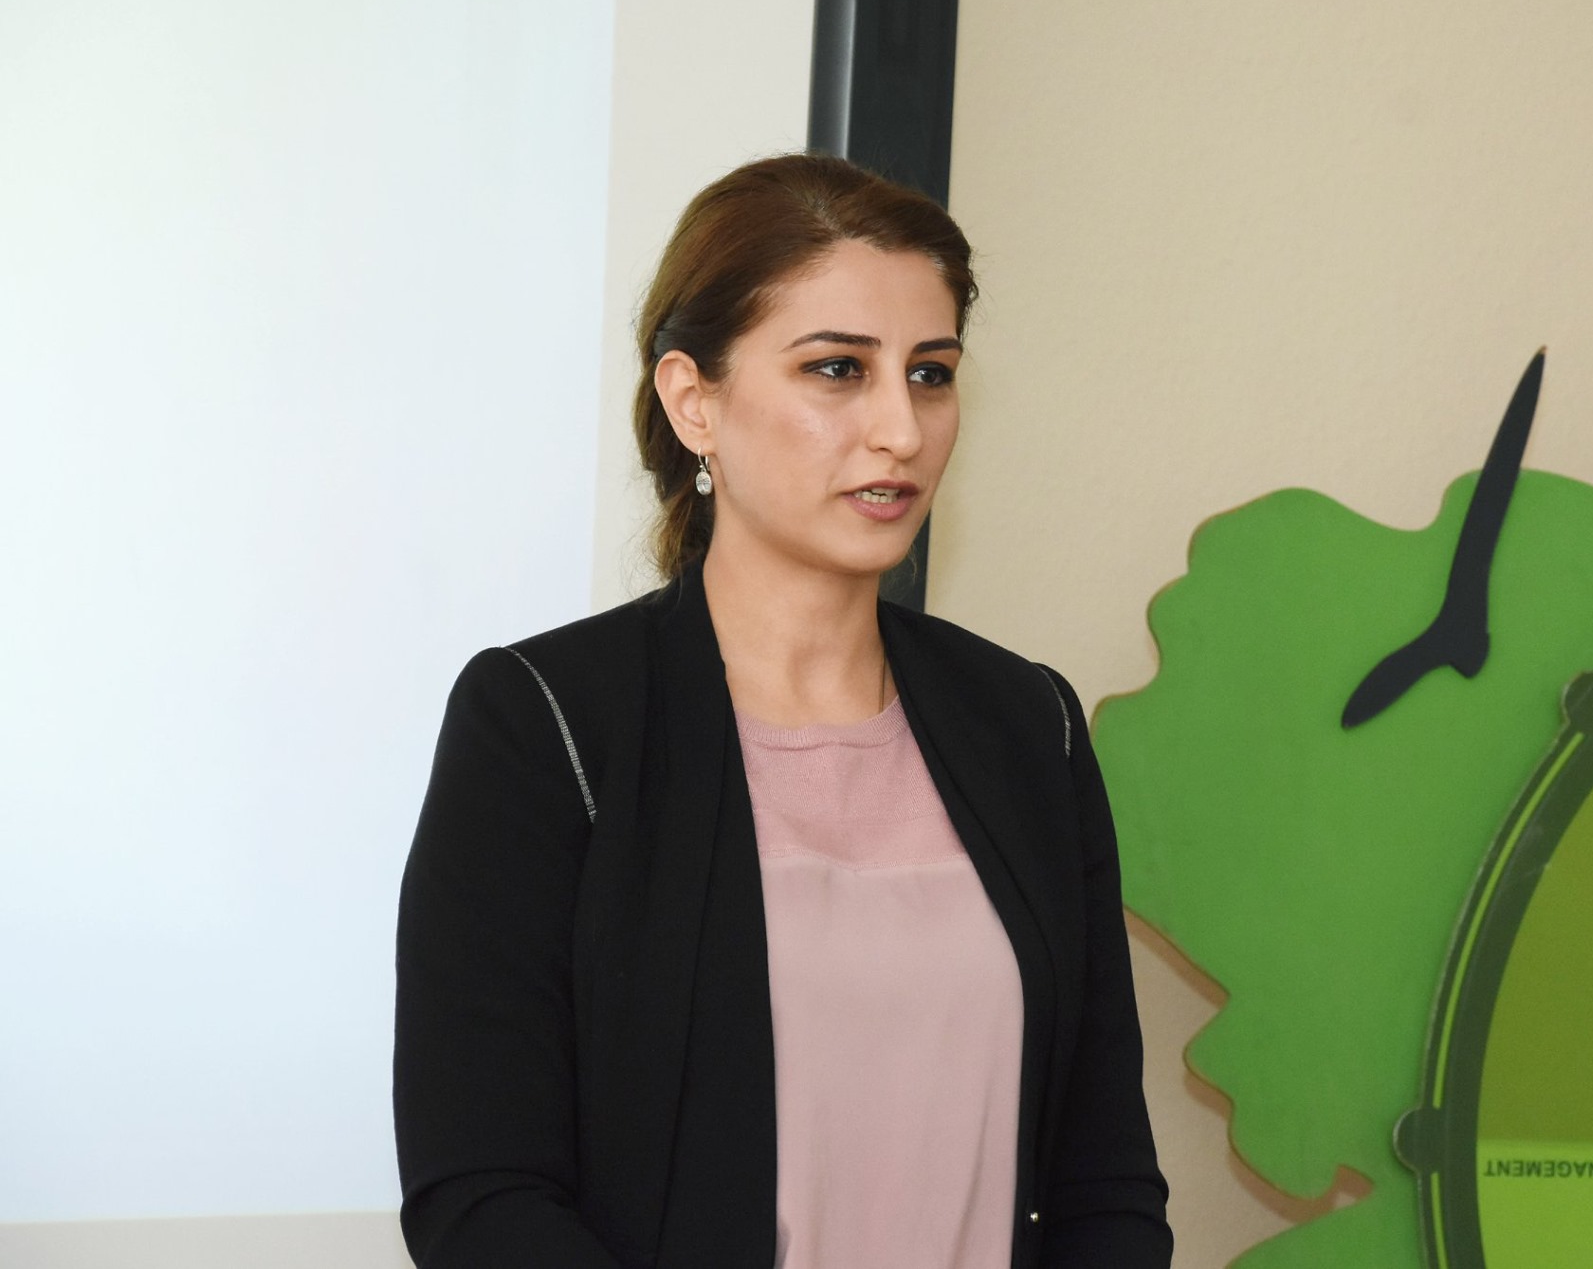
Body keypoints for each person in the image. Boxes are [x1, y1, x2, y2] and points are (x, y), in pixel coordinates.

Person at [392, 153, 1171, 1269]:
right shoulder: (546, 724)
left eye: (931, 373)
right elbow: (482, 1196)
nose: (901, 429)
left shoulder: (1027, 724)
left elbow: (1105, 1182)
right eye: (837, 370)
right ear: (693, 400)